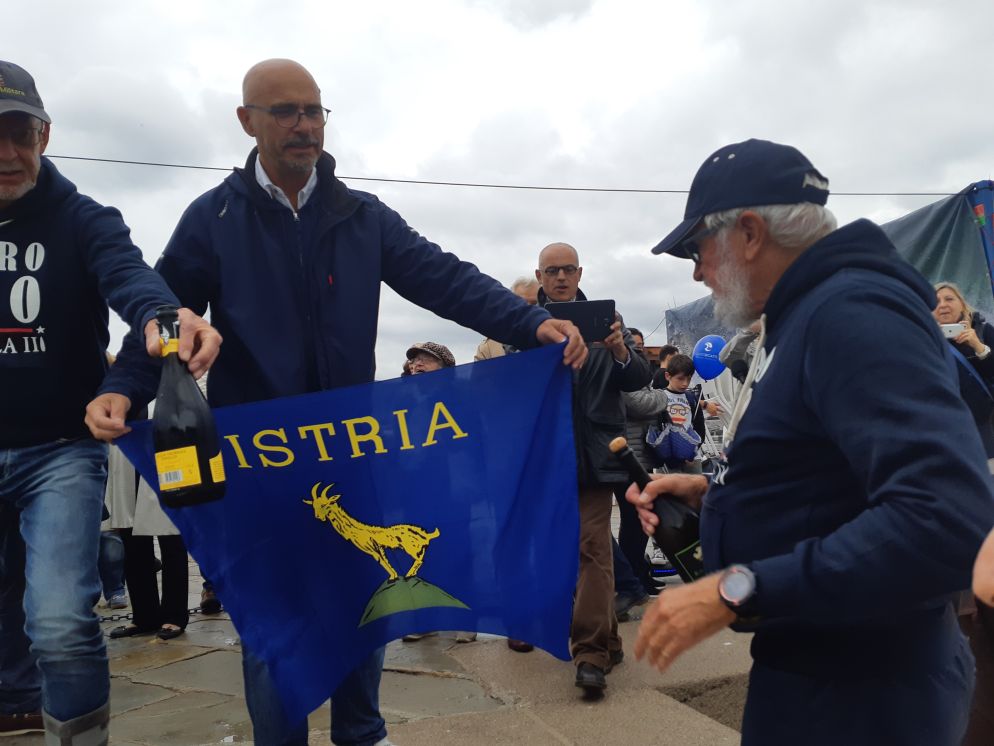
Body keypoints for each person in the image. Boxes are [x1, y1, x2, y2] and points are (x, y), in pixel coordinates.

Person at [103, 58, 586, 746]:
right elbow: (164, 315)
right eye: (285, 112)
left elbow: (442, 276)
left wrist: (529, 322)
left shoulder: (361, 215)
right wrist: (122, 388)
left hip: (353, 453)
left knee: (365, 601)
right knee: (271, 621)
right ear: (247, 121)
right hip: (259, 462)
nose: (304, 125)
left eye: (314, 111)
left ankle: (362, 735)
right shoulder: (212, 218)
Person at [628, 138, 994, 745]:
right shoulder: (810, 314)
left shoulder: (851, 313)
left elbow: (944, 516)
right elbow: (831, 476)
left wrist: (736, 589)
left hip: (865, 696)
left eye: (697, 248)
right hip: (824, 672)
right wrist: (717, 495)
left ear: (749, 233)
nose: (696, 272)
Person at [0, 61, 221, 744]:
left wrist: (165, 318)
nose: (6, 153)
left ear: (44, 135)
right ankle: (17, 703)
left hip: (59, 450)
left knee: (60, 620)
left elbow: (132, 279)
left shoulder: (84, 219)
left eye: (19, 133)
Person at [533, 241, 651, 695]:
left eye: (568, 269)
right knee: (573, 550)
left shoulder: (608, 322)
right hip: (551, 454)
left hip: (599, 453)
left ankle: (590, 654)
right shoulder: (524, 325)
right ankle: (611, 642)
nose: (561, 277)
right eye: (552, 271)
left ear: (580, 273)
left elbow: (638, 377)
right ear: (540, 276)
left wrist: (620, 350)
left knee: (592, 547)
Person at [933, 281, 994, 465]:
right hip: (948, 429)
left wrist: (979, 347)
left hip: (987, 424)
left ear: (962, 303)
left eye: (949, 299)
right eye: (936, 302)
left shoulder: (982, 330)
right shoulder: (924, 339)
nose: (943, 305)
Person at [474, 278, 540, 360]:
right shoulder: (488, 348)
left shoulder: (551, 339)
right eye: (522, 303)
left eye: (534, 304)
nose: (527, 310)